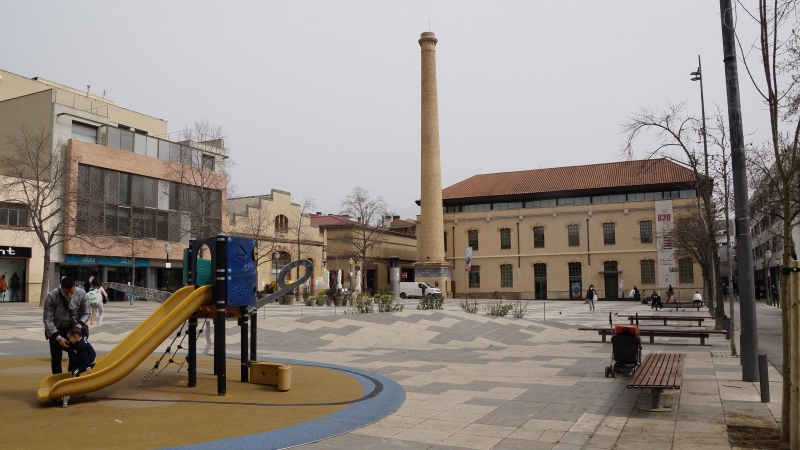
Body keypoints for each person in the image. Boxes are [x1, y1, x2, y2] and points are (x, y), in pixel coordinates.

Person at [43, 277, 91, 375]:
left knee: (74, 356)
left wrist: (80, 324)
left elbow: (87, 312)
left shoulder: (81, 293)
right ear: (61, 288)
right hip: (56, 328)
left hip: (74, 328)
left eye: (72, 292)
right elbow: (47, 319)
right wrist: (58, 337)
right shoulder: (52, 296)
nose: (69, 294)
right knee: (56, 357)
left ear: (75, 287)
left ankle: (72, 377)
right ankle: (57, 379)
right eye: (66, 292)